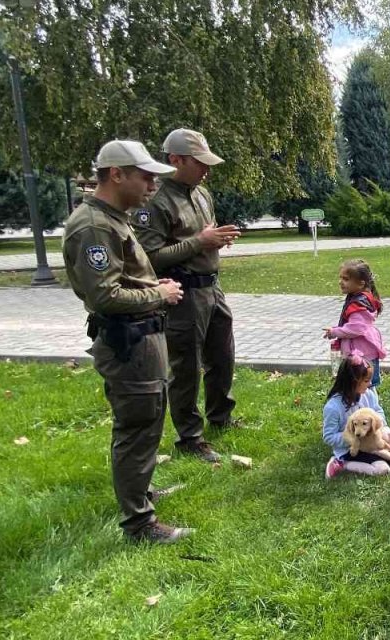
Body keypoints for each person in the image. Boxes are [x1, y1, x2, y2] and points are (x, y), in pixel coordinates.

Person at [62, 140, 189, 544]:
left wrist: (154, 285)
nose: (153, 184)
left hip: (142, 338)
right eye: (145, 175)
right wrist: (160, 294)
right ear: (116, 174)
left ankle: (140, 493)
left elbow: (123, 280)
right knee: (137, 425)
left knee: (148, 419)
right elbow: (105, 296)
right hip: (128, 342)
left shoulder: (113, 218)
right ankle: (139, 524)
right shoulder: (95, 226)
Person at [131, 128, 239, 464]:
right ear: (175, 160)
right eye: (199, 162)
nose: (206, 169)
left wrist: (218, 238)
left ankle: (221, 416)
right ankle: (190, 438)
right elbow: (148, 256)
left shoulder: (202, 194)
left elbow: (207, 232)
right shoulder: (156, 201)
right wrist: (200, 242)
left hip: (212, 286)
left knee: (222, 355)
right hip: (182, 292)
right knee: (187, 366)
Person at [322, 354, 390, 478]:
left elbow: (378, 411)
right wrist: (354, 439)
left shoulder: (368, 394)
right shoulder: (333, 407)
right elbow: (329, 436)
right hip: (353, 448)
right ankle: (340, 464)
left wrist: (382, 428)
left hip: (376, 438)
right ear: (353, 382)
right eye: (366, 381)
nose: (370, 383)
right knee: (383, 469)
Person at [323, 260, 386, 388]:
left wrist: (335, 331)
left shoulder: (358, 304)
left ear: (361, 283)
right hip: (361, 352)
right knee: (360, 387)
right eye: (340, 278)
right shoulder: (358, 298)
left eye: (346, 279)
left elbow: (356, 329)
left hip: (362, 354)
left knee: (364, 387)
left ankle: (370, 408)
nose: (341, 282)